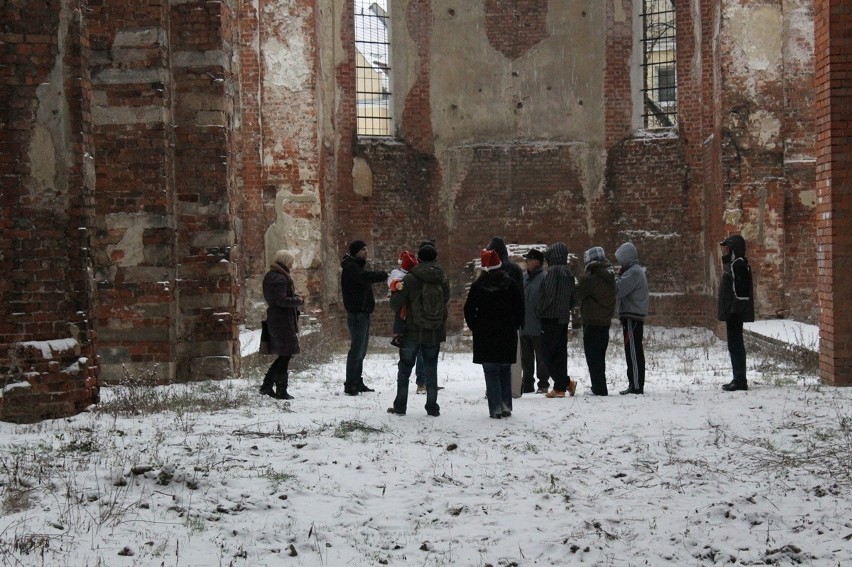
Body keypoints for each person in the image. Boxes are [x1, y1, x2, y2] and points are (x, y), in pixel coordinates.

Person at [387, 242, 450, 417]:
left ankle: (400, 406)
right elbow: (446, 298)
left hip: (412, 331)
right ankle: (432, 407)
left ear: (419, 259)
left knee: (405, 369)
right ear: (436, 258)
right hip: (435, 331)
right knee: (431, 369)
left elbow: (395, 305)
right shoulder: (442, 277)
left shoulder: (411, 278)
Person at [464, 249, 525, 418]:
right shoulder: (510, 284)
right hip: (507, 333)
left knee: (491, 372)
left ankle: (495, 408)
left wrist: (475, 326)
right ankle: (506, 406)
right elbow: (520, 307)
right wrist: (515, 324)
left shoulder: (478, 286)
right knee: (505, 369)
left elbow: (469, 310)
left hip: (485, 335)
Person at [340, 240, 388, 396]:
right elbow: (365, 277)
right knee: (356, 349)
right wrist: (384, 275)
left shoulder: (355, 265)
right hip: (357, 313)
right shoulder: (351, 267)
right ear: (355, 252)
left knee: (361, 350)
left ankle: (357, 380)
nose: (366, 252)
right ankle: (351, 383)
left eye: (366, 249)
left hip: (363, 312)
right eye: (362, 250)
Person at [260, 250, 304, 400]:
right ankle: (279, 390)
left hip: (277, 318)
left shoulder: (271, 275)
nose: (292, 265)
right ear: (285, 261)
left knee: (285, 354)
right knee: (286, 354)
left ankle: (268, 385)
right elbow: (281, 300)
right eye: (290, 261)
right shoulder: (280, 278)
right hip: (282, 320)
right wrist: (298, 300)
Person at [536, 242, 577, 398]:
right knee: (560, 353)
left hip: (550, 318)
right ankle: (560, 387)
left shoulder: (553, 272)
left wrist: (539, 310)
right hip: (563, 318)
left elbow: (549, 295)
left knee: (546, 354)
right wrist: (565, 309)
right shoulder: (568, 273)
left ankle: (564, 383)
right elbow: (573, 299)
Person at [576, 246, 616, 396]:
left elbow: (577, 293)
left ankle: (599, 388)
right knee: (600, 356)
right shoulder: (609, 276)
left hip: (592, 322)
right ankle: (600, 385)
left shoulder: (591, 279)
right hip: (604, 322)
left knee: (593, 357)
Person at [718, 234, 755, 391]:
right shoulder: (734, 264)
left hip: (735, 313)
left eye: (727, 248)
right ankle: (738, 377)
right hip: (732, 312)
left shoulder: (738, 265)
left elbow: (740, 292)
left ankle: (740, 379)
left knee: (736, 345)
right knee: (734, 345)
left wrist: (733, 310)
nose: (725, 252)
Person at [615, 242, 649, 395]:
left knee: (633, 352)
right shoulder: (634, 271)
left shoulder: (633, 272)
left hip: (632, 316)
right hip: (632, 315)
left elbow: (619, 289)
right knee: (632, 350)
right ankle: (634, 383)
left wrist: (616, 275)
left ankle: (636, 385)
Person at [520, 248, 550, 394]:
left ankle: (543, 384)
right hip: (524, 325)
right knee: (526, 358)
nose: (526, 262)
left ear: (537, 262)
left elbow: (548, 300)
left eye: (529, 259)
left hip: (539, 326)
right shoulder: (523, 277)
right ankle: (527, 384)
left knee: (542, 357)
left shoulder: (545, 278)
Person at [387, 250, 419, 347]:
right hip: (403, 302)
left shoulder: (400, 274)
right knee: (400, 316)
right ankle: (398, 335)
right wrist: (397, 286)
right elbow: (393, 284)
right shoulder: (400, 275)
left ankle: (398, 335)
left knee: (400, 317)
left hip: (402, 301)